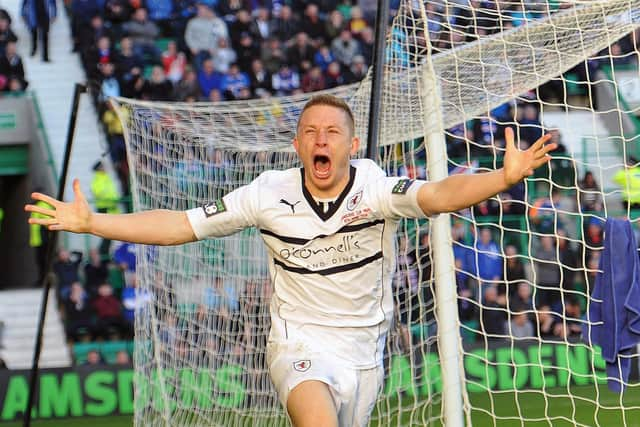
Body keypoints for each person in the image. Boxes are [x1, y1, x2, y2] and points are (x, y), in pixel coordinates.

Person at [25, 94, 555, 427]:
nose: (320, 140)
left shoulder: (375, 186)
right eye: (310, 132)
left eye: (332, 133)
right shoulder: (265, 193)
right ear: (298, 144)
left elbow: (438, 195)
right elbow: (180, 225)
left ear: (350, 145)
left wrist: (501, 179)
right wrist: (94, 223)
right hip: (298, 341)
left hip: (365, 351)